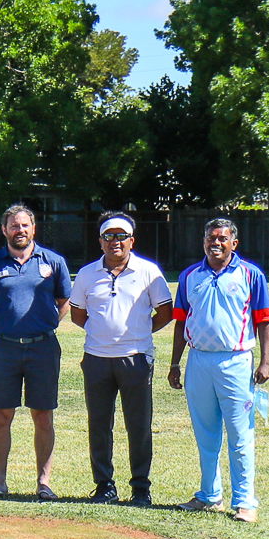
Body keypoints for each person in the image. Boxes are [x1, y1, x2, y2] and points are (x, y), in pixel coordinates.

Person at [170, 218, 269, 523]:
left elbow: (264, 320)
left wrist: (265, 362)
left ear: (234, 243)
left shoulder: (250, 275)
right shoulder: (190, 276)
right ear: (203, 242)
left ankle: (244, 501)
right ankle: (209, 495)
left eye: (222, 239)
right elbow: (180, 321)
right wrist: (175, 363)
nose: (215, 244)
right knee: (206, 433)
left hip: (237, 361)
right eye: (210, 238)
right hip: (199, 360)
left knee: (240, 433)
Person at [68, 212, 173, 505]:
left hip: (136, 358)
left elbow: (165, 313)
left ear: (132, 240)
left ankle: (141, 487)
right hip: (97, 358)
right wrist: (103, 333)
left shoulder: (148, 271)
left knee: (138, 426)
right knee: (99, 424)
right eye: (109, 236)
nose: (115, 242)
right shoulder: (87, 274)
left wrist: (139, 333)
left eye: (121, 236)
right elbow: (78, 315)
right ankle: (104, 486)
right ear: (100, 241)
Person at [0, 204, 69, 501]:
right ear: (5, 230)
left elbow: (64, 300)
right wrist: (0, 325)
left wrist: (49, 323)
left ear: (33, 228)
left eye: (25, 225)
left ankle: (44, 482)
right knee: (2, 415)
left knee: (43, 415)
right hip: (3, 348)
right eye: (14, 226)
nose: (20, 230)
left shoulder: (53, 261)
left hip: (43, 348)